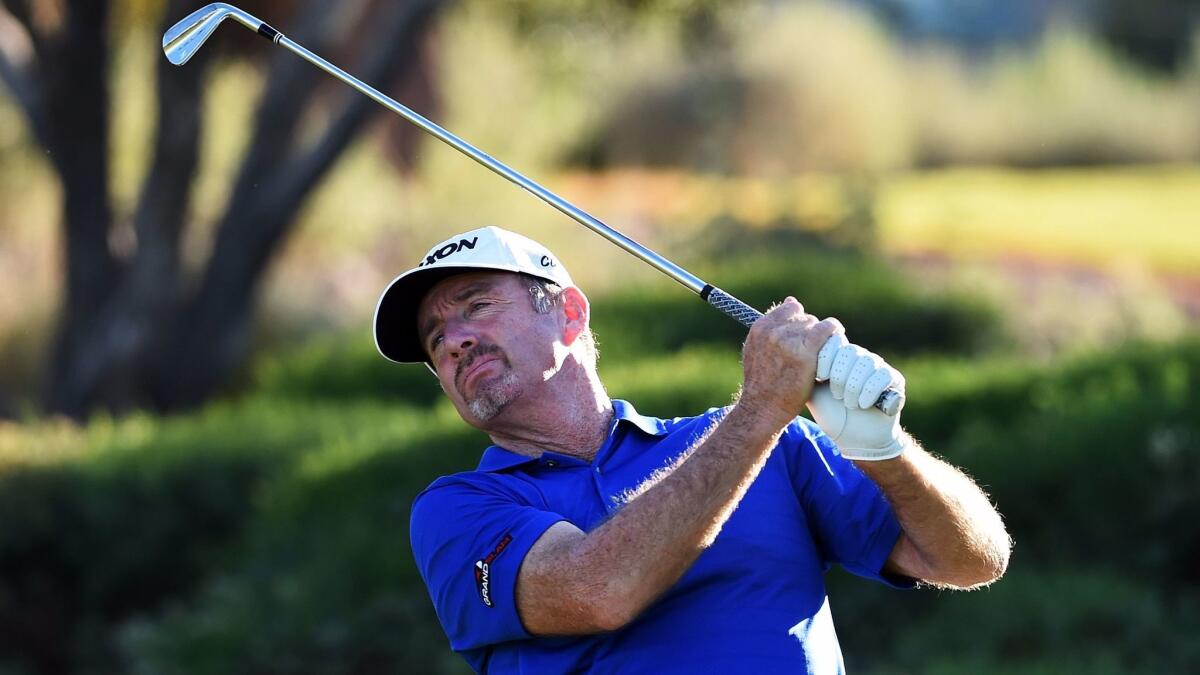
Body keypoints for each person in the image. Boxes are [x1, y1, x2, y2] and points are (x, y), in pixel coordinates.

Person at [374, 226, 1012, 674]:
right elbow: (600, 589)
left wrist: (887, 452)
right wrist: (760, 409)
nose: (453, 340)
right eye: (435, 339)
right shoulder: (458, 511)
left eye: (477, 307)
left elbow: (973, 559)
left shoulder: (776, 447)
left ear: (568, 314)